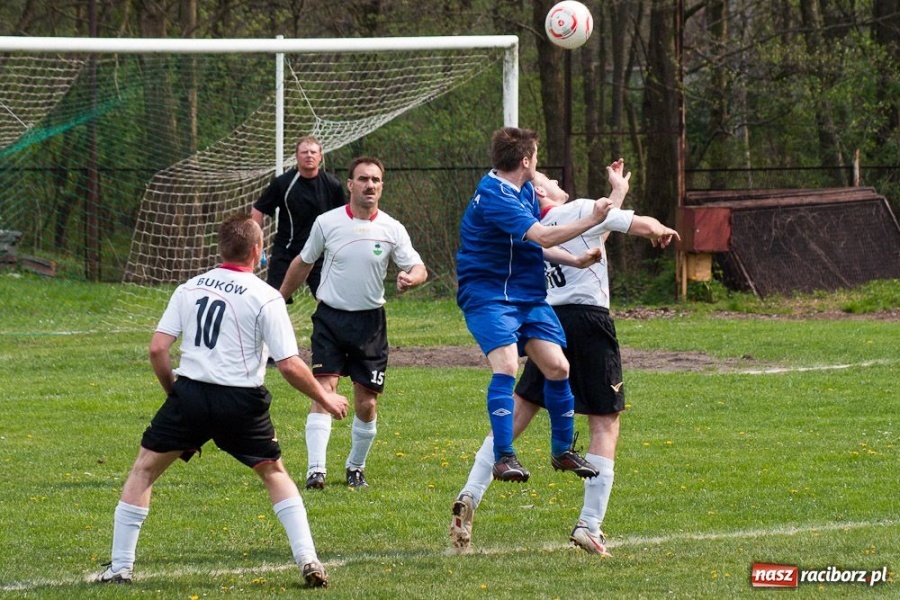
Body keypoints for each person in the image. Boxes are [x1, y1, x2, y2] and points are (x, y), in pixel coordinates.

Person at [93, 213, 349, 588]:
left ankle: (120, 567)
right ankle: (308, 559)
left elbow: (157, 349)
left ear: (221, 247)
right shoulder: (266, 297)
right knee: (274, 474)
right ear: (259, 251)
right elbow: (291, 365)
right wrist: (326, 398)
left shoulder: (190, 287)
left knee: (144, 470)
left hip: (191, 395)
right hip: (241, 402)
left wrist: (174, 393)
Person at [451, 162, 680, 556]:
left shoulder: (533, 230)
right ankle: (589, 525)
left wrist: (618, 190)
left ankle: (469, 494)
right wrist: (657, 227)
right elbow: (623, 222)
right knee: (605, 422)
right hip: (588, 323)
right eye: (549, 181)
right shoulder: (574, 211)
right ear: (541, 195)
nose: (557, 183)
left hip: (549, 317)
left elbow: (600, 225)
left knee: (519, 412)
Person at [455, 126, 613, 484]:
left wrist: (574, 261)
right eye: (536, 156)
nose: (539, 162)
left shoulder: (523, 188)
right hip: (488, 295)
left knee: (558, 366)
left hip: (527, 296)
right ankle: (503, 457)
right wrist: (591, 220)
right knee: (508, 364)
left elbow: (531, 244)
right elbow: (541, 235)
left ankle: (561, 451)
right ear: (525, 161)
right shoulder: (495, 195)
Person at [279, 156, 428, 491]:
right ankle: (315, 471)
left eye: (375, 180)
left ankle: (355, 468)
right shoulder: (327, 223)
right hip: (330, 318)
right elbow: (304, 262)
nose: (369, 185)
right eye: (363, 179)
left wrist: (411, 278)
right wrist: (278, 299)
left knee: (367, 402)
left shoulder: (392, 228)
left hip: (370, 325)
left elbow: (418, 267)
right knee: (323, 389)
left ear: (382, 186)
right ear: (350, 185)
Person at [252, 135, 346, 302]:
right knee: (273, 299)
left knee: (328, 300)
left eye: (313, 152)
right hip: (287, 250)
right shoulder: (283, 183)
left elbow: (344, 216)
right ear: (297, 156)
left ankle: (328, 328)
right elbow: (259, 209)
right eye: (304, 152)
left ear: (320, 156)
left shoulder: (332, 184)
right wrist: (256, 241)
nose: (309, 155)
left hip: (320, 253)